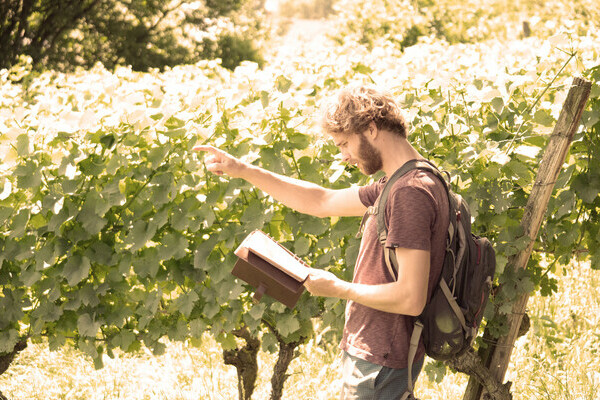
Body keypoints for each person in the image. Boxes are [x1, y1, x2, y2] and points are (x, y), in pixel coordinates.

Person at [195, 86, 449, 399]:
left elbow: (411, 298)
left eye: (345, 144)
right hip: (376, 356)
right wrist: (243, 170)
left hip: (381, 361)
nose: (344, 156)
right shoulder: (402, 181)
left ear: (371, 129)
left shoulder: (410, 192)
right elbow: (321, 201)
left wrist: (336, 288)